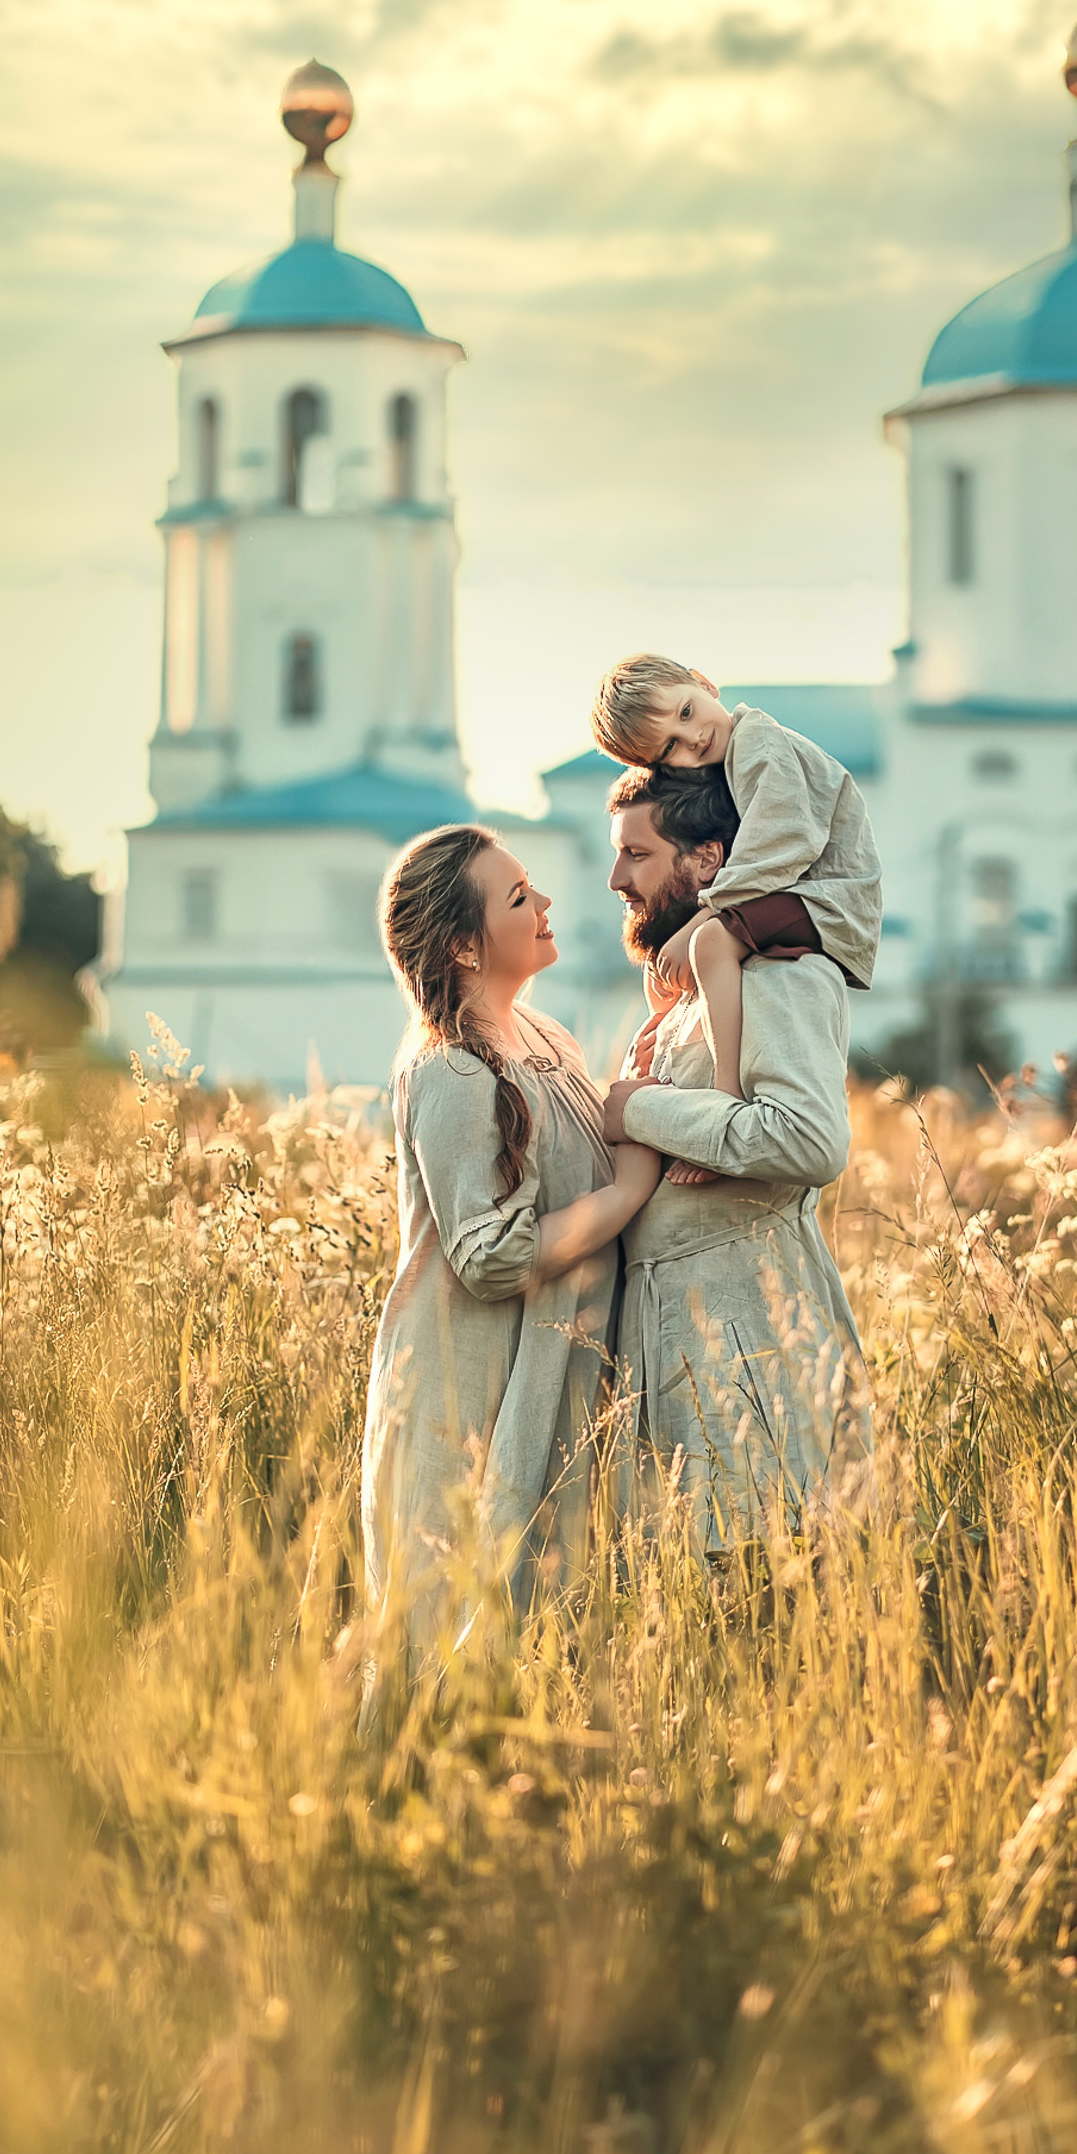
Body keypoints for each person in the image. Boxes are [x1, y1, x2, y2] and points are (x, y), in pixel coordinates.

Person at [361, 822, 662, 1670]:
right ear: (463, 944)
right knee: (449, 1651)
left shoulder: (549, 1039)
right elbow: (488, 1258)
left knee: (545, 1651)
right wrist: (626, 1191)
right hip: (467, 1395)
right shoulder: (450, 1071)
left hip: (547, 1375)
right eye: (519, 896)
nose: (547, 903)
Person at [600, 764, 871, 1545]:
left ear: (708, 860)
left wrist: (637, 1109)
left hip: (754, 1351)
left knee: (765, 1601)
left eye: (637, 855)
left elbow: (809, 1138)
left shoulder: (780, 975)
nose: (616, 877)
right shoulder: (691, 991)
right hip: (678, 1351)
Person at [588, 656, 882, 1183]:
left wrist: (702, 917)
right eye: (669, 748)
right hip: (803, 888)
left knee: (709, 946)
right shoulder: (735, 758)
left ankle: (724, 1098)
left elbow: (782, 845)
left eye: (685, 710)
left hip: (828, 898)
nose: (692, 736)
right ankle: (718, 1094)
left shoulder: (760, 746)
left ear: (704, 682)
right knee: (697, 953)